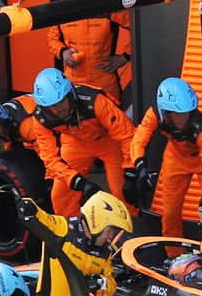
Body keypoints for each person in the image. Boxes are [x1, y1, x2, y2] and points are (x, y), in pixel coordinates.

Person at [127, 77, 202, 236]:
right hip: (175, 157)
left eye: (187, 113)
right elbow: (138, 140)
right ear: (165, 112)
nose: (184, 118)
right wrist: (140, 167)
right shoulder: (154, 115)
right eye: (178, 114)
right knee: (169, 214)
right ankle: (173, 250)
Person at [30, 68, 136, 214]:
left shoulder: (94, 101)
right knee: (61, 196)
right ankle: (72, 227)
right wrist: (77, 182)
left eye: (62, 101)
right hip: (74, 142)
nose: (59, 109)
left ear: (70, 95)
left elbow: (127, 134)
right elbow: (50, 159)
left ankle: (133, 225)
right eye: (53, 106)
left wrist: (131, 172)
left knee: (122, 191)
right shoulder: (40, 119)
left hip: (109, 140)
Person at [46, 0, 131, 102]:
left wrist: (124, 57)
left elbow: (140, 31)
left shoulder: (108, 5)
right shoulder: (62, 9)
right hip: (73, 84)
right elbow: (52, 39)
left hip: (105, 85)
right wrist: (63, 52)